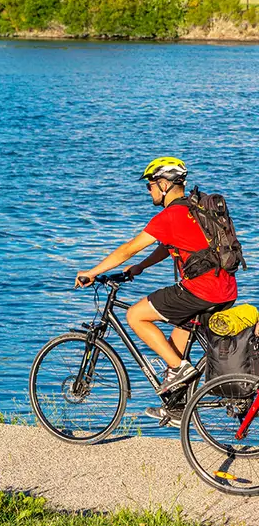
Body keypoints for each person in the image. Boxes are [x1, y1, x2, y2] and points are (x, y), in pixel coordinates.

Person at [77, 157, 239, 423]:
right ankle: (177, 406)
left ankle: (180, 370)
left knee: (136, 316)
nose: (148, 191)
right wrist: (140, 267)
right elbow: (168, 246)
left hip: (202, 289)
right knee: (178, 334)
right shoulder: (193, 209)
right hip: (225, 288)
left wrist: (91, 272)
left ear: (164, 185)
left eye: (150, 185)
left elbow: (128, 248)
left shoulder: (170, 215)